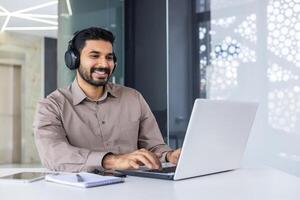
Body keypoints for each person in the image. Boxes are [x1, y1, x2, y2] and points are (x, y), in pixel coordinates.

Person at [33, 27, 181, 172]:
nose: (104, 64)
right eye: (94, 56)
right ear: (74, 60)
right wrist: (112, 160)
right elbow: (53, 155)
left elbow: (154, 147)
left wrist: (169, 156)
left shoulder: (133, 98)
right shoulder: (52, 106)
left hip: (133, 189)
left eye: (109, 57)